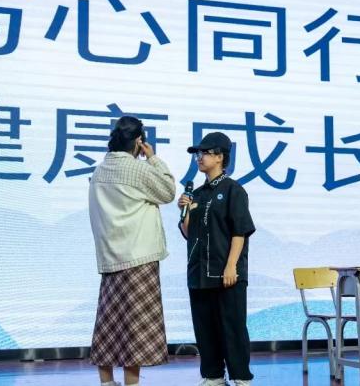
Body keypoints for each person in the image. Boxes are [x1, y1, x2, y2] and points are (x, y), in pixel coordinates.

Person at [88, 115, 177, 386]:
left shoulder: (99, 171)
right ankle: (131, 384)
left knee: (109, 322)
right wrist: (153, 158)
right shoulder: (138, 169)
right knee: (136, 327)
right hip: (139, 256)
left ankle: (106, 382)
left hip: (110, 257)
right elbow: (168, 191)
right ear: (139, 141)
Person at [178, 132, 256, 386]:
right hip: (199, 271)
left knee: (232, 327)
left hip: (226, 271)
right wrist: (185, 212)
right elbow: (188, 234)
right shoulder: (197, 193)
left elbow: (240, 231)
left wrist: (232, 265)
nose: (199, 158)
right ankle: (213, 375)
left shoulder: (233, 190)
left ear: (220, 157)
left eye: (204, 153)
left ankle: (241, 376)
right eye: (198, 154)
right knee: (205, 327)